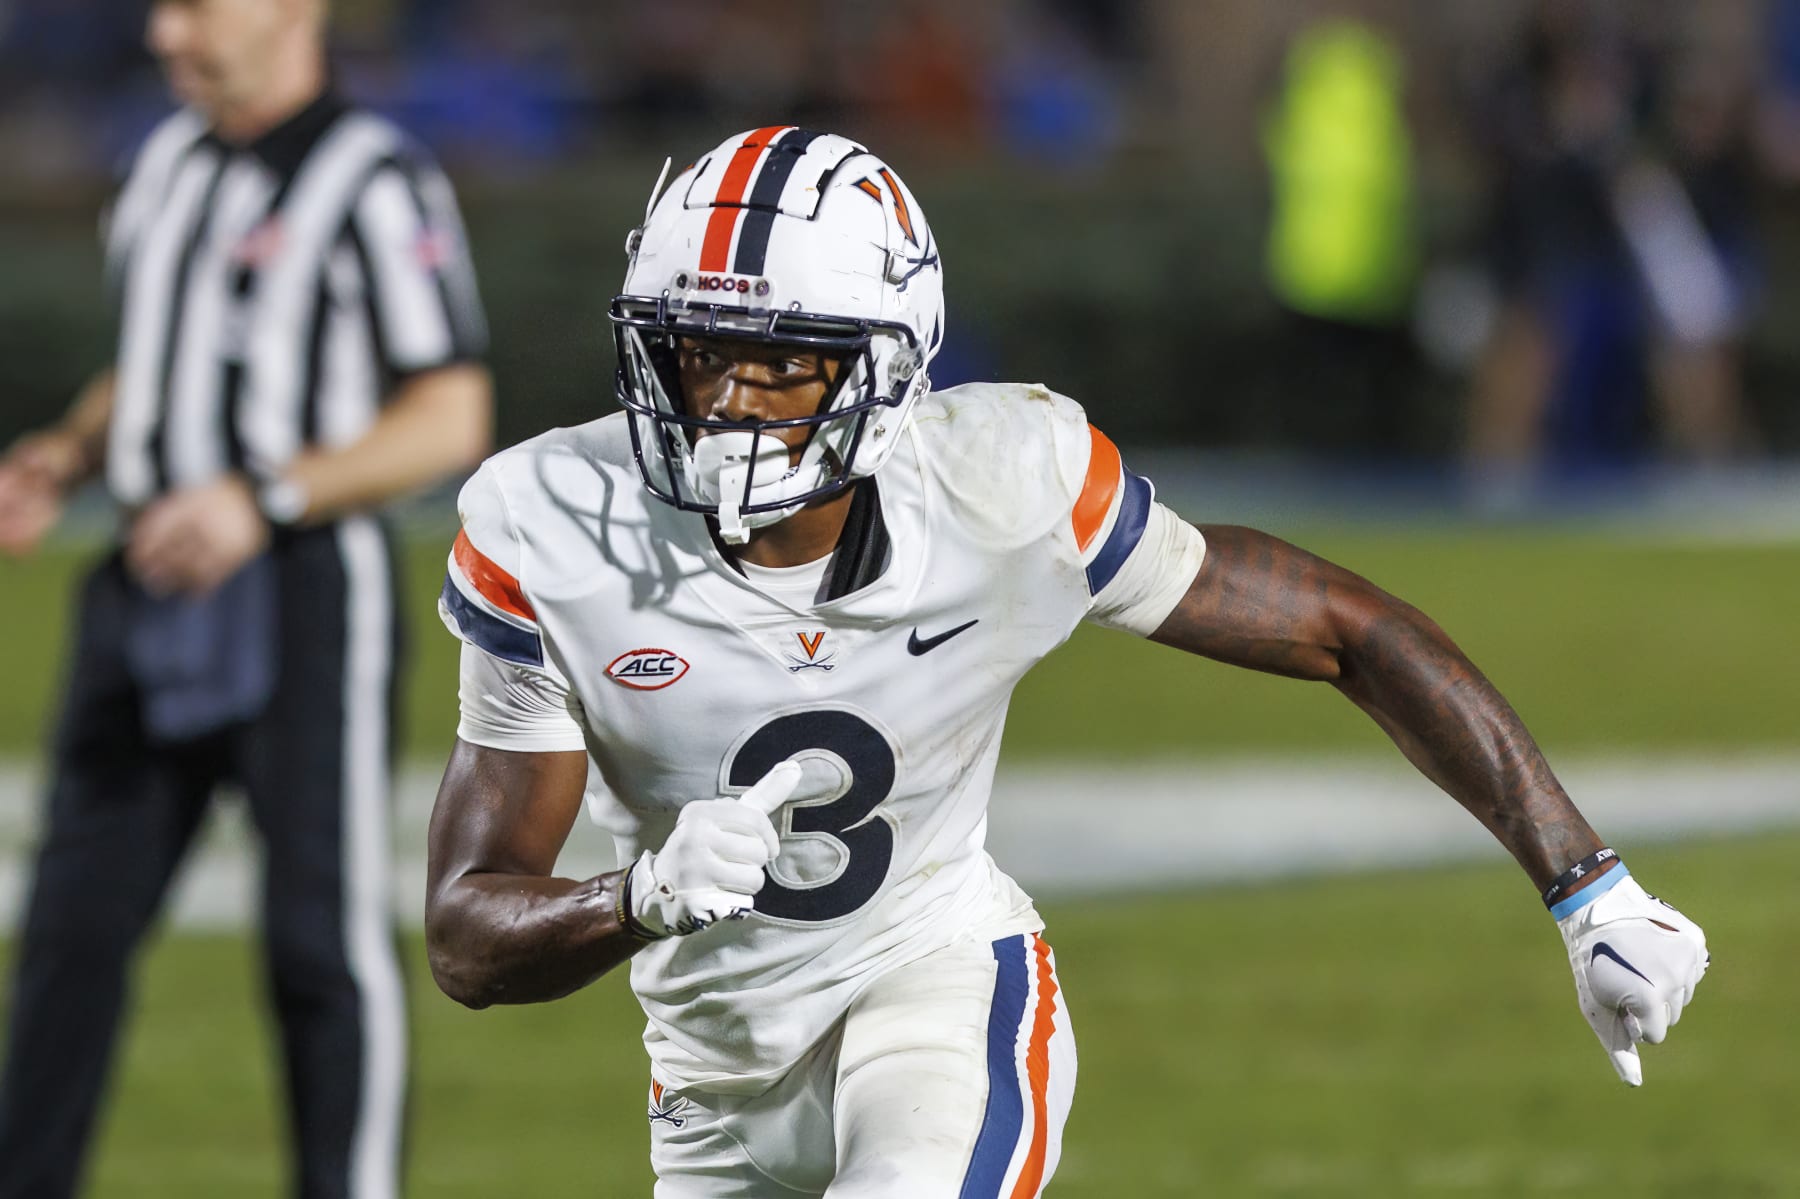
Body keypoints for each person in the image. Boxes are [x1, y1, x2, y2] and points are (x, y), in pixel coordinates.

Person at [424, 127, 1707, 1197]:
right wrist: (635, 895)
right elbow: (468, 934)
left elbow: (1344, 629)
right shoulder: (549, 524)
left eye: (786, 360)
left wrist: (1588, 887)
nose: (731, 400)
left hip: (931, 993)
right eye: (700, 349)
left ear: (885, 371)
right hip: (706, 1080)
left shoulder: (1006, 483)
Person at [0, 1, 491, 1195]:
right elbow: (166, 350)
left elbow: (450, 414)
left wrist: (263, 497)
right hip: (143, 585)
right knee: (69, 933)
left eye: (199, 6)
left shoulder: (372, 178)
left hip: (303, 585)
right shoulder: (166, 159)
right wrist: (68, 449)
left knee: (317, 943)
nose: (168, 35)